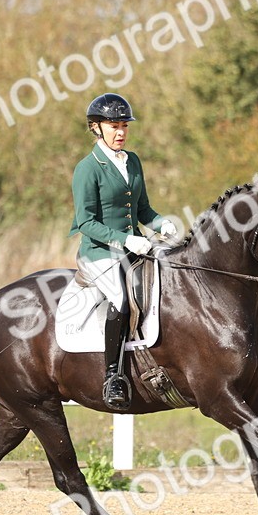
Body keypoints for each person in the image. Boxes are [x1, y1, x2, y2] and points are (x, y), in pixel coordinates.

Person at [69, 93, 177, 410]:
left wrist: (160, 223)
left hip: (135, 246)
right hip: (99, 253)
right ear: (96, 128)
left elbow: (142, 209)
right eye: (113, 126)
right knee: (120, 299)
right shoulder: (87, 168)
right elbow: (85, 222)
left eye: (124, 126)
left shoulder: (132, 161)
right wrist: (125, 240)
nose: (120, 132)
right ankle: (113, 377)